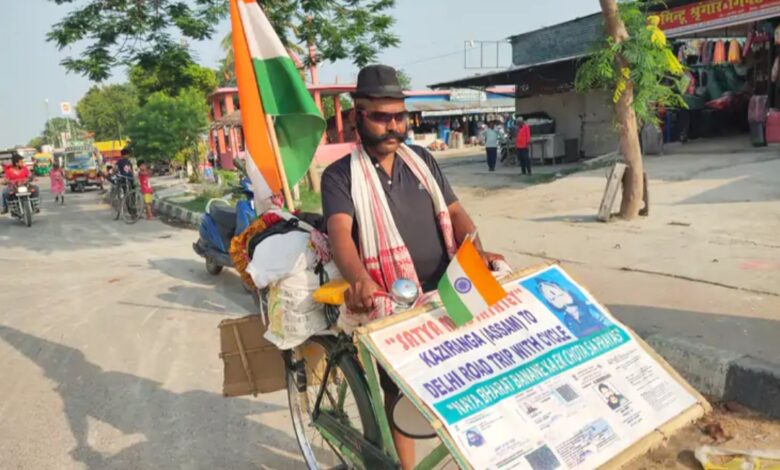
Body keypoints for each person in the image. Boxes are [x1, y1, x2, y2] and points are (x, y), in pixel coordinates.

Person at [321, 64, 504, 470]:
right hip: (392, 298)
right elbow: (339, 233)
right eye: (380, 117)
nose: (392, 126)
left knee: (479, 367)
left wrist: (478, 250)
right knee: (399, 391)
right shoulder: (340, 176)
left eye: (399, 116)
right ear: (357, 117)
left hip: (447, 287)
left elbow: (455, 211)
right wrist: (360, 278)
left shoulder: (421, 159)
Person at [535, 278, 606, 338]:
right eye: (553, 299)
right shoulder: (567, 321)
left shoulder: (589, 307)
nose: (559, 299)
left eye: (560, 295)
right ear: (551, 304)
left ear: (566, 292)